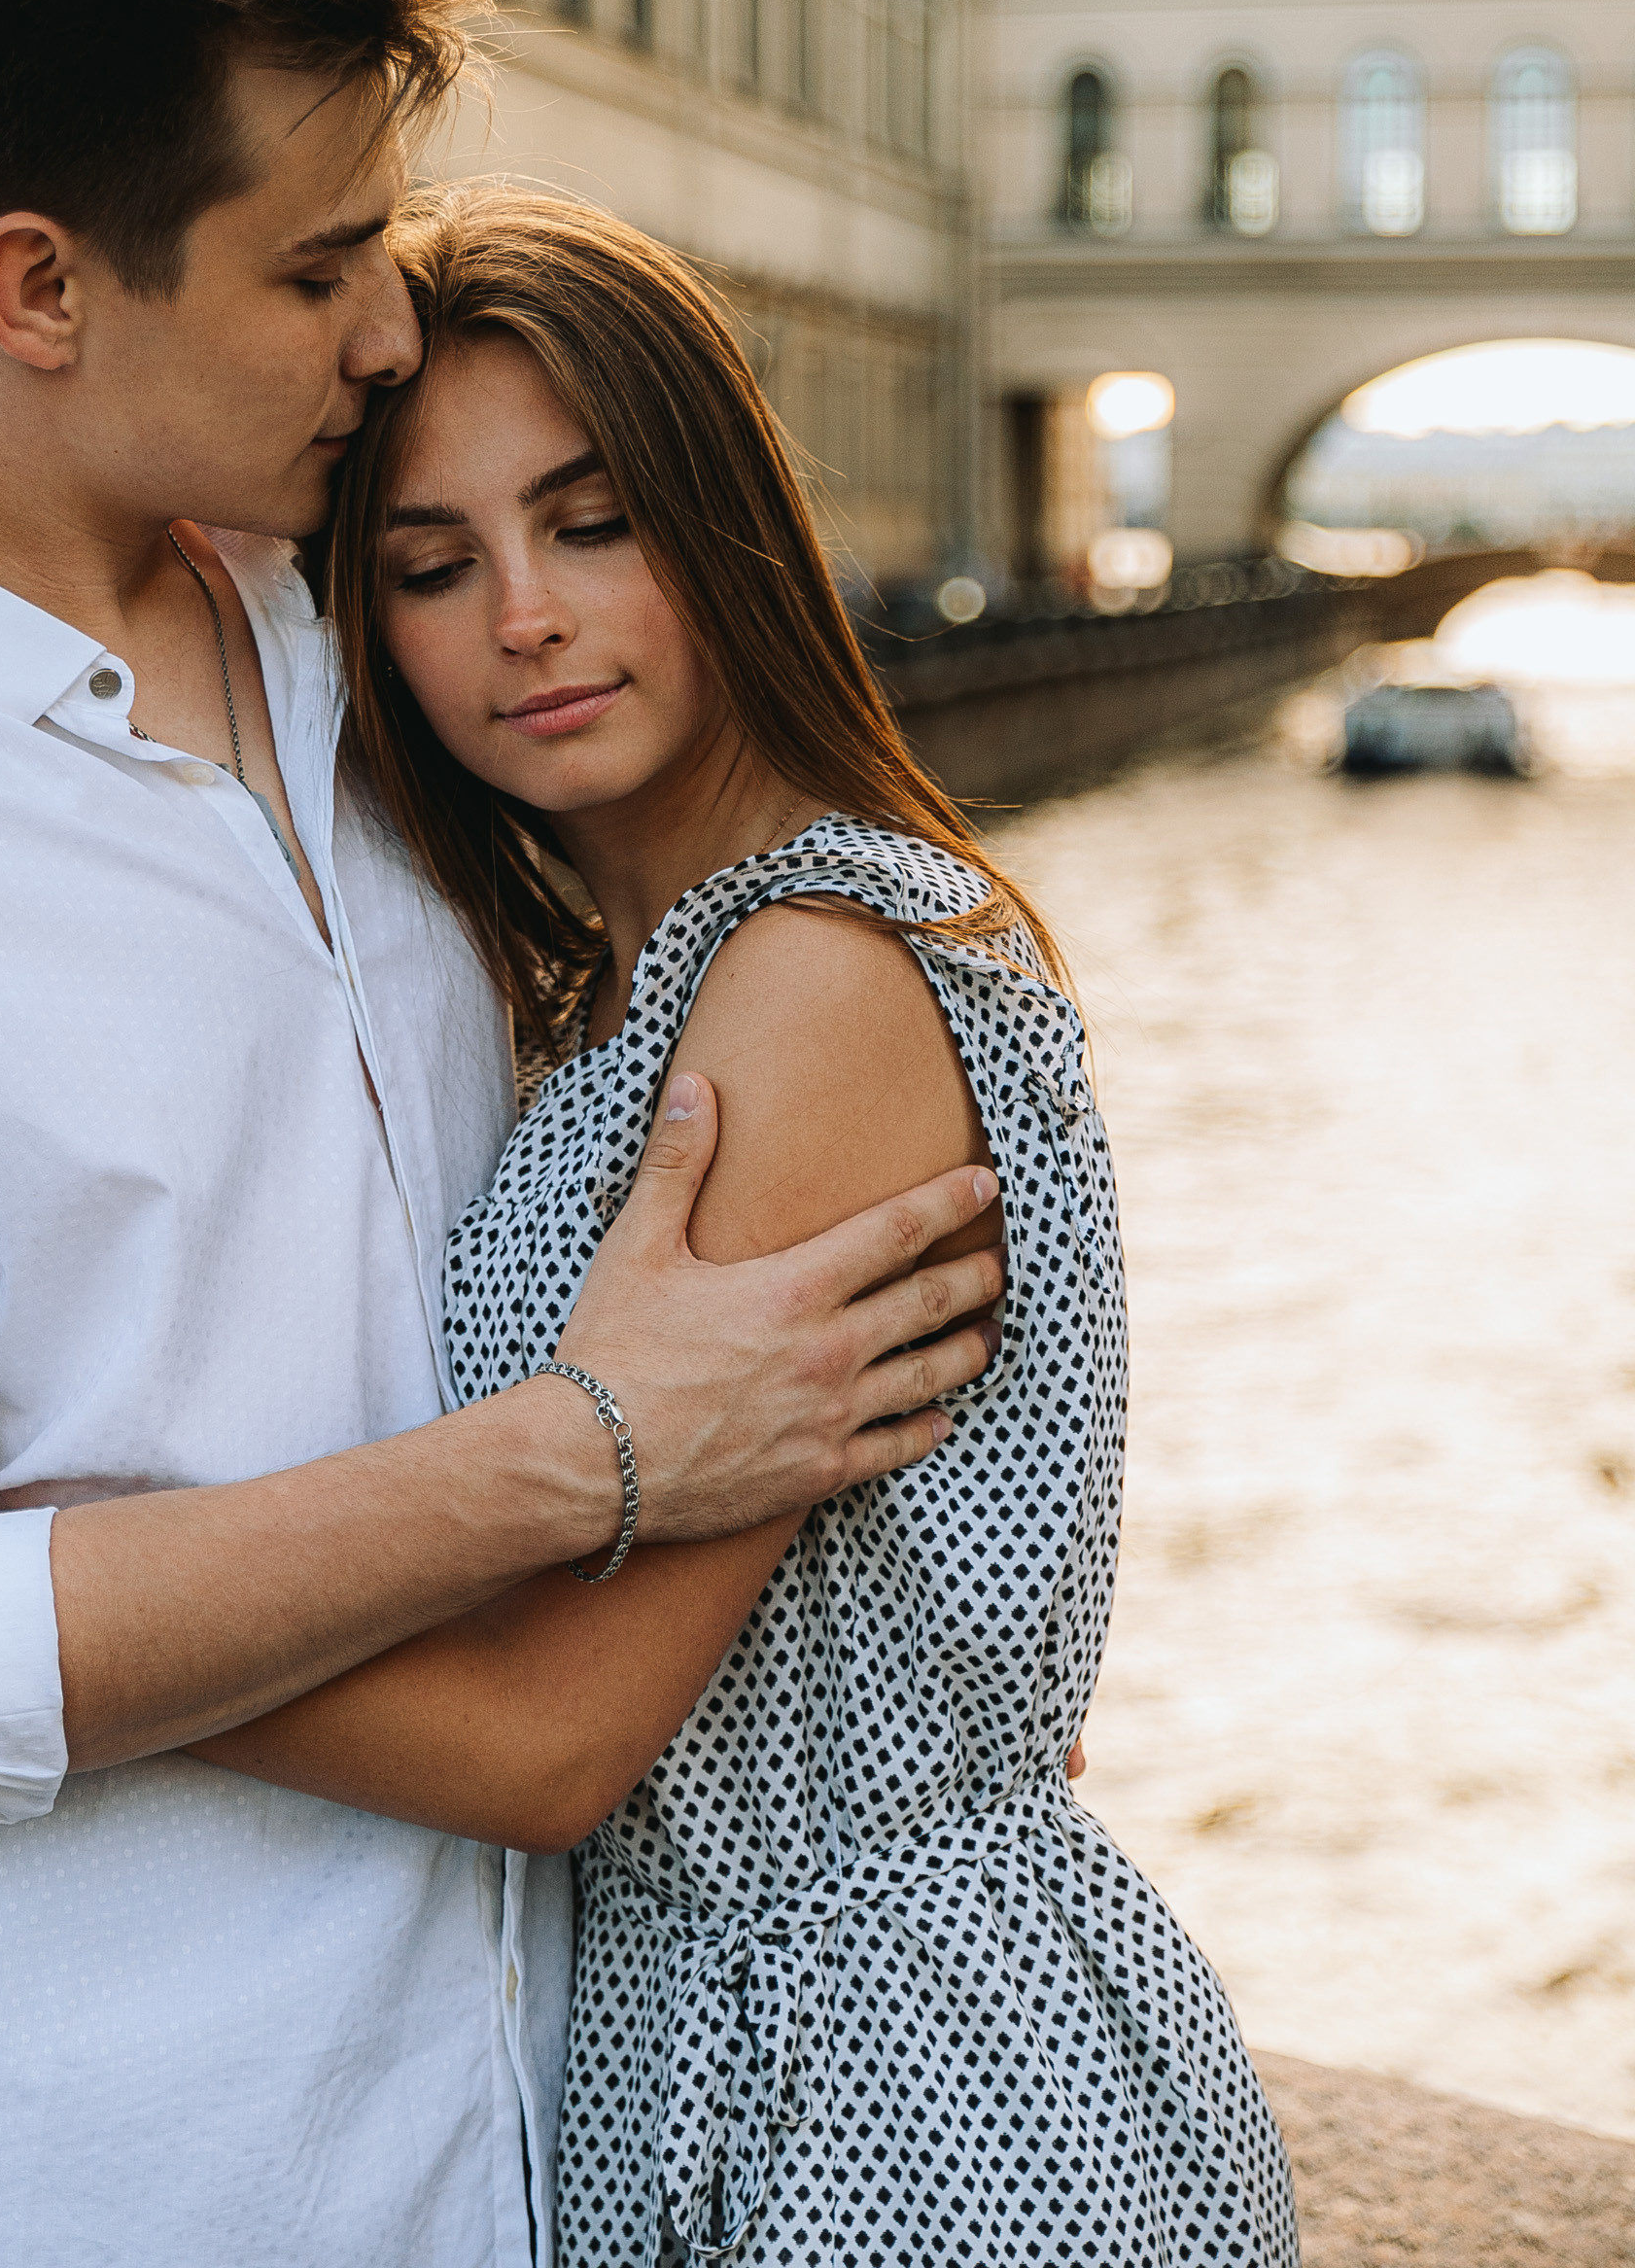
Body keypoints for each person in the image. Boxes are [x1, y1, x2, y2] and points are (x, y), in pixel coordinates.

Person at [0, 0, 1008, 2268]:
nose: (388, 328)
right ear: (37, 286)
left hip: (539, 2142)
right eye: (313, 265)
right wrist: (591, 1450)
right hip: (78, 2180)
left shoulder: (387, 636)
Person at [193, 189, 1302, 2266]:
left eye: (590, 523)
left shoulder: (809, 968)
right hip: (730, 2046)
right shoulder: (618, 988)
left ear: (724, 524)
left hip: (902, 2101)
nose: (520, 613)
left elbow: (551, 1744)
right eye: (432, 566)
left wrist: (65, 1627)